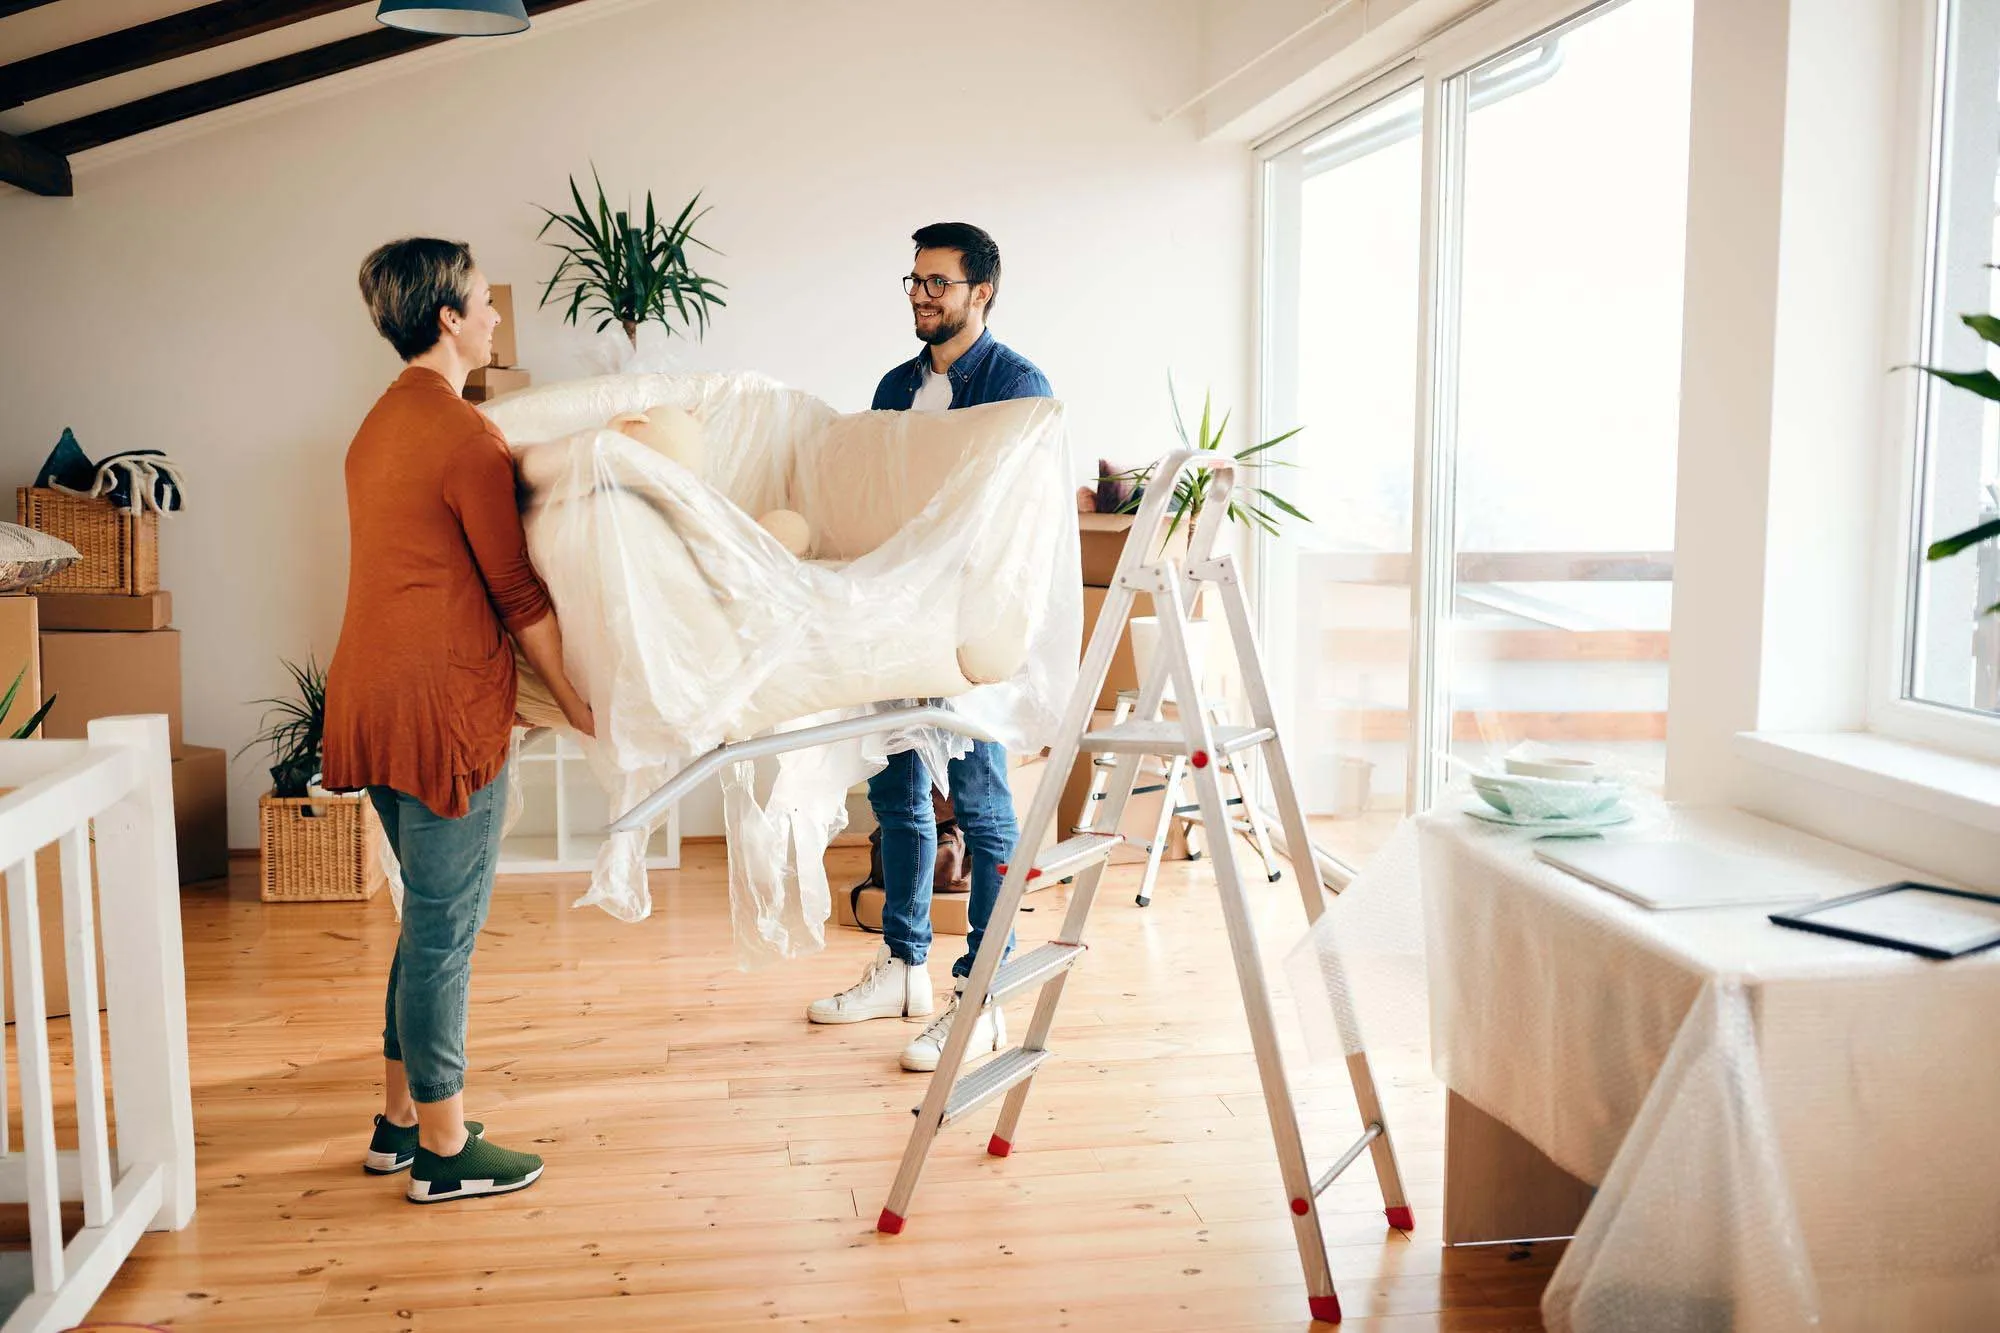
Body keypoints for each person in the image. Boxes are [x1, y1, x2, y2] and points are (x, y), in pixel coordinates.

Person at [325, 237, 595, 1203]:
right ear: (447, 316)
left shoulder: (379, 425)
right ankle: (445, 1149)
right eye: (484, 304)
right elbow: (519, 594)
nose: (492, 320)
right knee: (445, 929)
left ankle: (399, 1123)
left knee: (422, 922)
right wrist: (581, 706)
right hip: (442, 711)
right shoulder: (461, 435)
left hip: (372, 696)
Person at [807, 222, 1053, 1072]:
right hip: (896, 617)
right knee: (900, 793)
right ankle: (905, 965)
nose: (920, 294)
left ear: (981, 291)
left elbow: (1013, 523)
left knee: (982, 805)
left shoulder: (1019, 386)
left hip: (970, 630)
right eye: (913, 280)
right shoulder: (893, 385)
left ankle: (980, 991)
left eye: (937, 282)